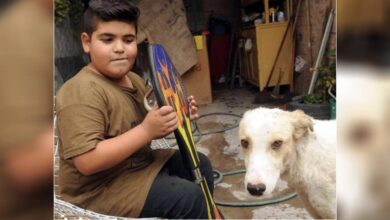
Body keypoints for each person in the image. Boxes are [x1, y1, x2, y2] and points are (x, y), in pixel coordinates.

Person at [56, 0, 214, 219]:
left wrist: (176, 114)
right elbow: (87, 162)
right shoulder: (81, 91)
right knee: (188, 198)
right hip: (99, 189)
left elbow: (146, 120)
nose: (120, 48)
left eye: (128, 40)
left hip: (138, 165)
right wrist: (146, 131)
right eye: (108, 39)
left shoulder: (134, 80)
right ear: (86, 42)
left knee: (201, 164)